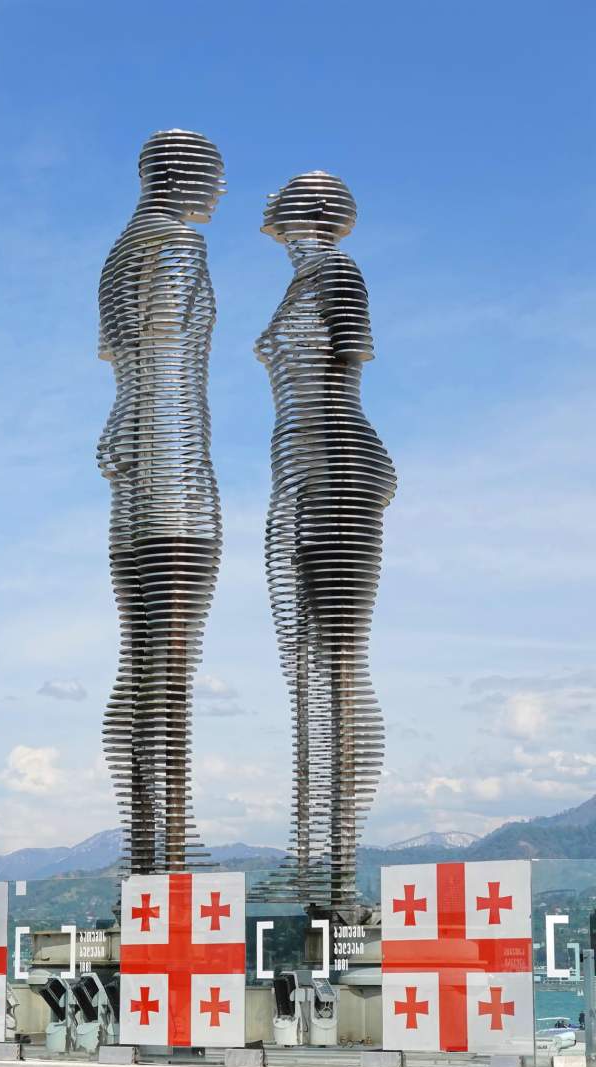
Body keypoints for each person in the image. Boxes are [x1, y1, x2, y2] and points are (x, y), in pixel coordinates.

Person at [256, 172, 396, 906]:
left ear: (311, 210)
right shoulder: (304, 281)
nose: (262, 206)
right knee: (307, 674)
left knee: (338, 668)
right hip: (307, 478)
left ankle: (339, 871)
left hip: (339, 471)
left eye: (278, 196)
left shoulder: (338, 273)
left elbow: (343, 379)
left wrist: (332, 477)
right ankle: (310, 860)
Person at [97, 130, 225, 873]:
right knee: (170, 670)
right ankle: (169, 849)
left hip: (131, 494)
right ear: (183, 175)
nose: (221, 191)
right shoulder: (178, 243)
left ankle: (147, 847)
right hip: (177, 491)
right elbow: (174, 368)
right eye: (214, 174)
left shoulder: (118, 253)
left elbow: (126, 374)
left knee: (138, 665)